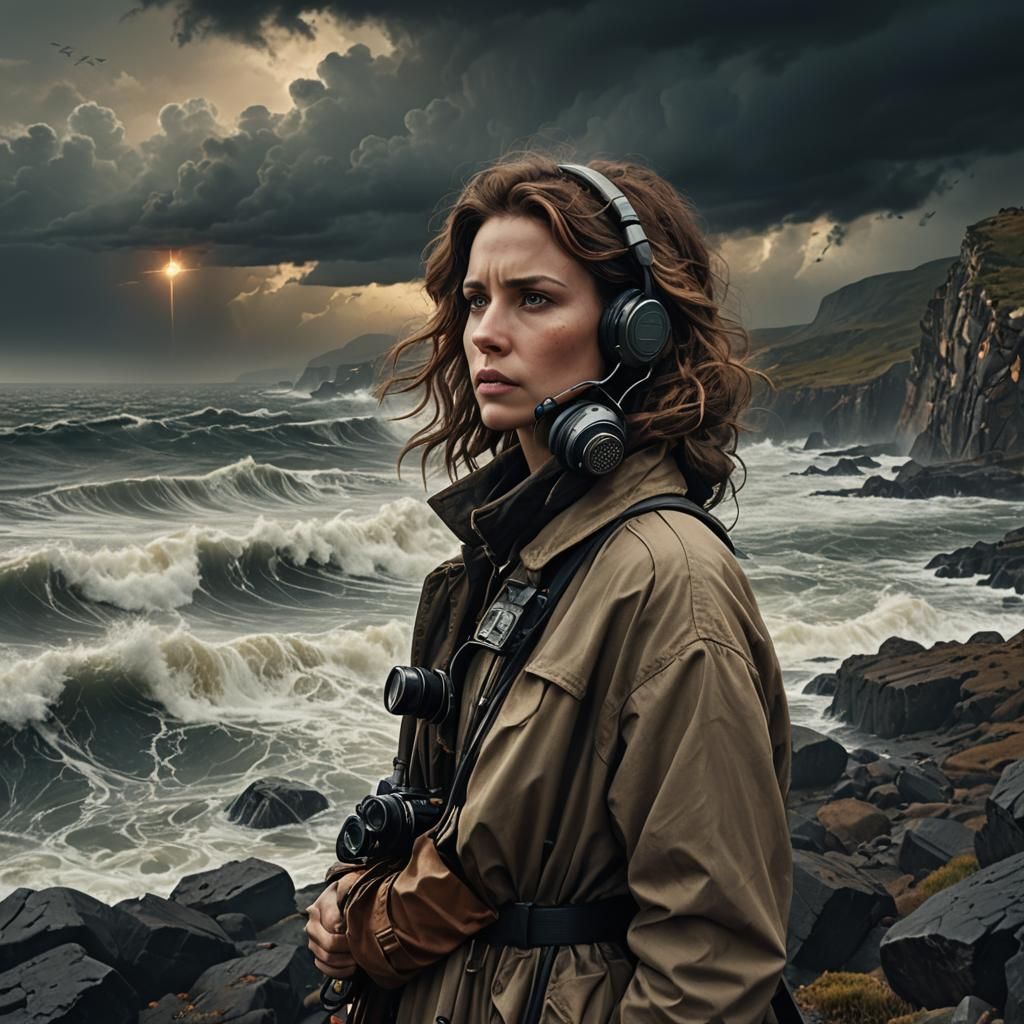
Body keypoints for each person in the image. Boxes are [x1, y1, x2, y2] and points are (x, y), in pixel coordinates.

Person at [305, 151, 793, 1024]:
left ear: (635, 329)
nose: (487, 332)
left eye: (534, 299)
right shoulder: (509, 557)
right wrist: (361, 903)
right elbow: (462, 824)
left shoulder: (665, 581)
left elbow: (710, 969)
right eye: (475, 301)